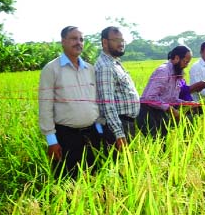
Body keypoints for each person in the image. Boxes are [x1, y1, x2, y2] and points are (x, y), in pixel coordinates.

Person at [39, 26, 101, 178]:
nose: (78, 42)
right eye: (74, 38)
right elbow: (45, 106)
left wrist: (99, 131)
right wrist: (51, 141)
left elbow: (96, 102)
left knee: (94, 176)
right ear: (63, 41)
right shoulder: (51, 69)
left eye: (81, 39)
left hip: (92, 133)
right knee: (68, 180)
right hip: (66, 136)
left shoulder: (90, 69)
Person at [95, 26, 140, 156]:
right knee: (120, 168)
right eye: (116, 40)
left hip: (125, 123)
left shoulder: (114, 63)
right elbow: (107, 103)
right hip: (118, 126)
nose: (121, 43)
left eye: (122, 40)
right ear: (104, 42)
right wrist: (119, 134)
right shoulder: (105, 67)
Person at [137, 45, 193, 138]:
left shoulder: (177, 73)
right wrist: (170, 109)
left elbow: (172, 99)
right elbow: (149, 98)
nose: (186, 65)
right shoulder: (163, 71)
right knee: (155, 144)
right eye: (185, 62)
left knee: (162, 143)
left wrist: (187, 103)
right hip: (147, 113)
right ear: (176, 58)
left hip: (160, 112)